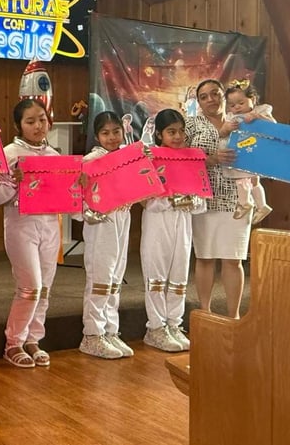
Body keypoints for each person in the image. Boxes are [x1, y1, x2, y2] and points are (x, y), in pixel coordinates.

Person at [0, 99, 61, 369]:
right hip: (21, 226)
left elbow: (65, 195)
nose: (38, 126)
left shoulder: (54, 156)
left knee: (45, 288)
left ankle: (33, 339)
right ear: (19, 125)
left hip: (50, 225)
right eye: (30, 121)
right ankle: (13, 342)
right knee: (30, 287)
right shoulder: (8, 153)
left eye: (42, 119)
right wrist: (12, 181)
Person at [140, 109, 205, 352]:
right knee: (156, 274)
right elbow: (146, 200)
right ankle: (156, 327)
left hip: (183, 222)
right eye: (171, 132)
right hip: (158, 223)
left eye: (180, 131)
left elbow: (201, 201)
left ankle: (174, 324)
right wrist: (174, 200)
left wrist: (189, 201)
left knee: (179, 274)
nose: (177, 137)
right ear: (159, 134)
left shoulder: (190, 159)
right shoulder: (150, 159)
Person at [186, 79, 249, 319]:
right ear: (198, 102)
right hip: (205, 200)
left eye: (215, 93)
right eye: (204, 96)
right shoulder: (191, 124)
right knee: (205, 258)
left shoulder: (242, 119)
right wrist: (211, 158)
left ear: (224, 95)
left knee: (233, 260)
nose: (210, 99)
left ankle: (234, 317)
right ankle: (206, 314)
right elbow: (182, 157)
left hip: (238, 200)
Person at [78, 111, 135, 359]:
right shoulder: (91, 160)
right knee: (100, 277)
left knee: (115, 277)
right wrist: (87, 211)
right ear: (97, 136)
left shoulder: (126, 157)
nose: (111, 137)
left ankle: (110, 330)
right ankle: (92, 335)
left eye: (116, 132)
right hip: (101, 222)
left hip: (122, 218)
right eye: (105, 133)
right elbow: (77, 191)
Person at [223, 82, 275, 223]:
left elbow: (273, 126)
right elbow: (224, 132)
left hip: (255, 152)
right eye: (232, 105)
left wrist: (258, 117)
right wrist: (228, 127)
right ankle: (259, 205)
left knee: (249, 179)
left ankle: (246, 203)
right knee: (246, 180)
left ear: (253, 99)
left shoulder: (260, 112)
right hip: (241, 152)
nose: (237, 107)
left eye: (241, 103)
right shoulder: (231, 117)